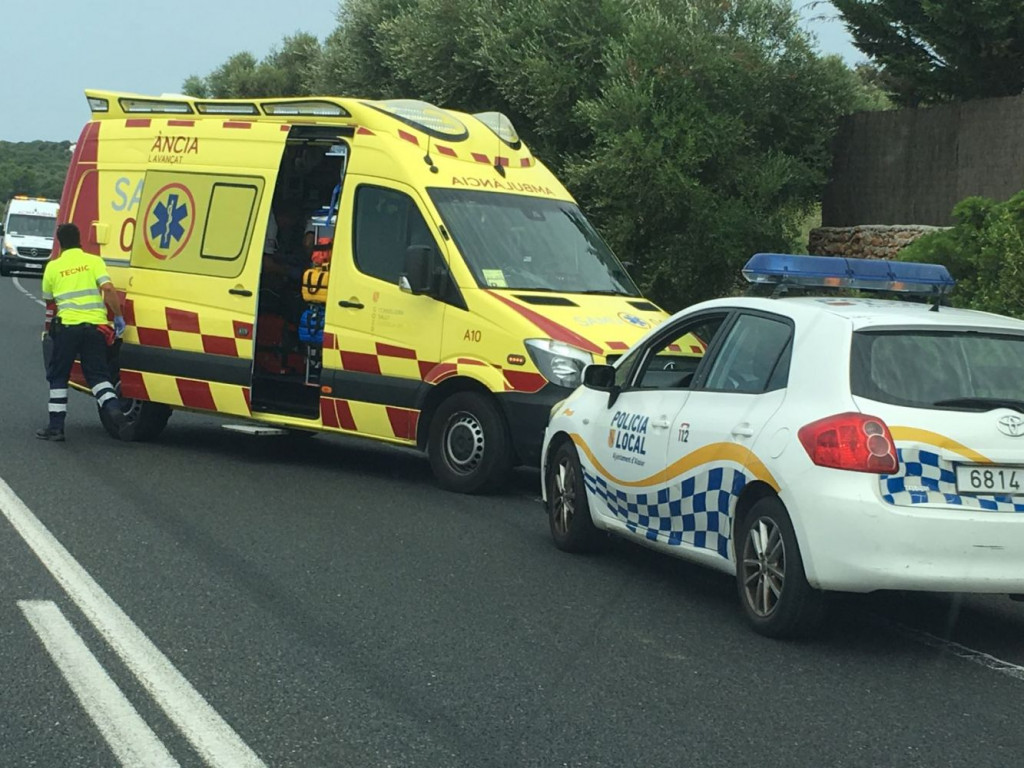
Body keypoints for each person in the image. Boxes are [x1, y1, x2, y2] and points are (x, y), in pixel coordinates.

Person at [37, 223, 127, 441]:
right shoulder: (94, 261)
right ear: (80, 239)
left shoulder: (53, 267)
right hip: (95, 329)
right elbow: (107, 289)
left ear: (59, 243)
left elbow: (49, 300)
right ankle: (115, 410)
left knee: (59, 376)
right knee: (98, 376)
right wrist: (117, 316)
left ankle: (56, 427)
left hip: (67, 329)